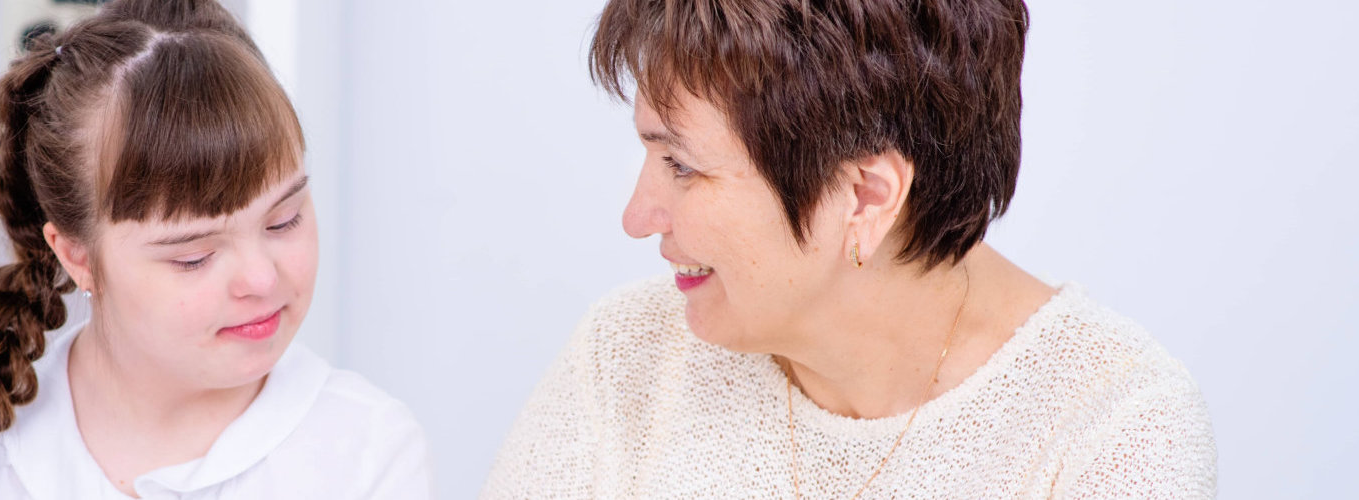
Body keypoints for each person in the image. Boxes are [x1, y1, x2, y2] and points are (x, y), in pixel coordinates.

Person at [484, 0, 1216, 497]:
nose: (638, 217)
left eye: (683, 165)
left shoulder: (1111, 426)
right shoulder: (629, 356)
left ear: (866, 197)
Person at [0, 1, 430, 498]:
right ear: (78, 256)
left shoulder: (364, 450)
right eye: (193, 257)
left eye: (284, 221)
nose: (261, 278)